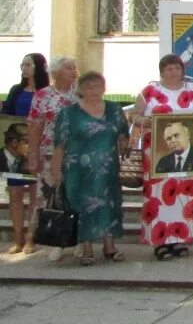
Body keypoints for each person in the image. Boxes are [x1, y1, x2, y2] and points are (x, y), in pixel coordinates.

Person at [129, 54, 193, 261]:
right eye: (169, 68)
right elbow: (133, 114)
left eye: (177, 68)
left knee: (185, 196)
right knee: (158, 197)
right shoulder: (151, 91)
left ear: (183, 70)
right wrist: (141, 120)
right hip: (156, 153)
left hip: (186, 154)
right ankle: (160, 241)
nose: (174, 72)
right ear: (162, 71)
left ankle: (181, 238)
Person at [51, 72, 129, 266]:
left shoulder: (114, 110)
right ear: (81, 90)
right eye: (89, 87)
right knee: (81, 207)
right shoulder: (69, 113)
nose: (94, 90)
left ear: (105, 88)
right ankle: (87, 249)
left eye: (98, 86)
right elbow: (59, 145)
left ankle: (109, 246)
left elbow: (123, 135)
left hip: (107, 170)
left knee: (109, 205)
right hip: (78, 172)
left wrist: (125, 142)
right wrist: (55, 170)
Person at [26, 56, 79, 261]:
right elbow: (35, 126)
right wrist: (32, 155)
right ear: (56, 72)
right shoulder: (43, 96)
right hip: (49, 153)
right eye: (68, 68)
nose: (73, 71)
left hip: (78, 155)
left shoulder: (81, 93)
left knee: (76, 196)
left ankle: (78, 240)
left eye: (74, 68)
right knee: (49, 196)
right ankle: (52, 239)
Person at [2, 53, 47, 255]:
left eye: (27, 64)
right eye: (22, 64)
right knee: (15, 194)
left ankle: (31, 236)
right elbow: (7, 115)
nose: (23, 68)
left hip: (37, 148)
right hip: (15, 148)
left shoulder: (46, 93)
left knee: (35, 194)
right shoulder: (16, 90)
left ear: (38, 67)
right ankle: (17, 237)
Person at [2, 123, 32, 254]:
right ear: (14, 142)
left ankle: (28, 239)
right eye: (27, 141)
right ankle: (17, 239)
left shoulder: (27, 162)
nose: (31, 146)